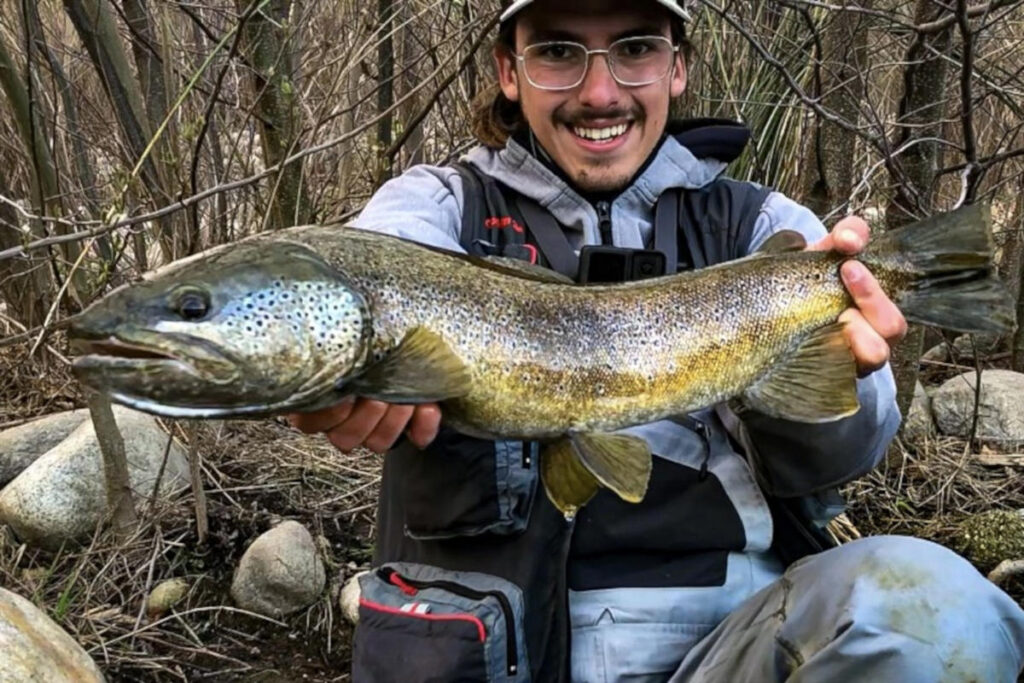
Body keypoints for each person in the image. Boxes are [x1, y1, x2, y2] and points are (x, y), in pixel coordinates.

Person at [291, 1, 1024, 680]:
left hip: (732, 648)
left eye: (635, 49)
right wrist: (344, 356)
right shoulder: (435, 208)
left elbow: (851, 454)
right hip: (486, 657)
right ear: (509, 71)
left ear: (678, 67)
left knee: (935, 607)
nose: (600, 92)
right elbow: (378, 264)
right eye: (558, 52)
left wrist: (846, 372)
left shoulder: (766, 230)